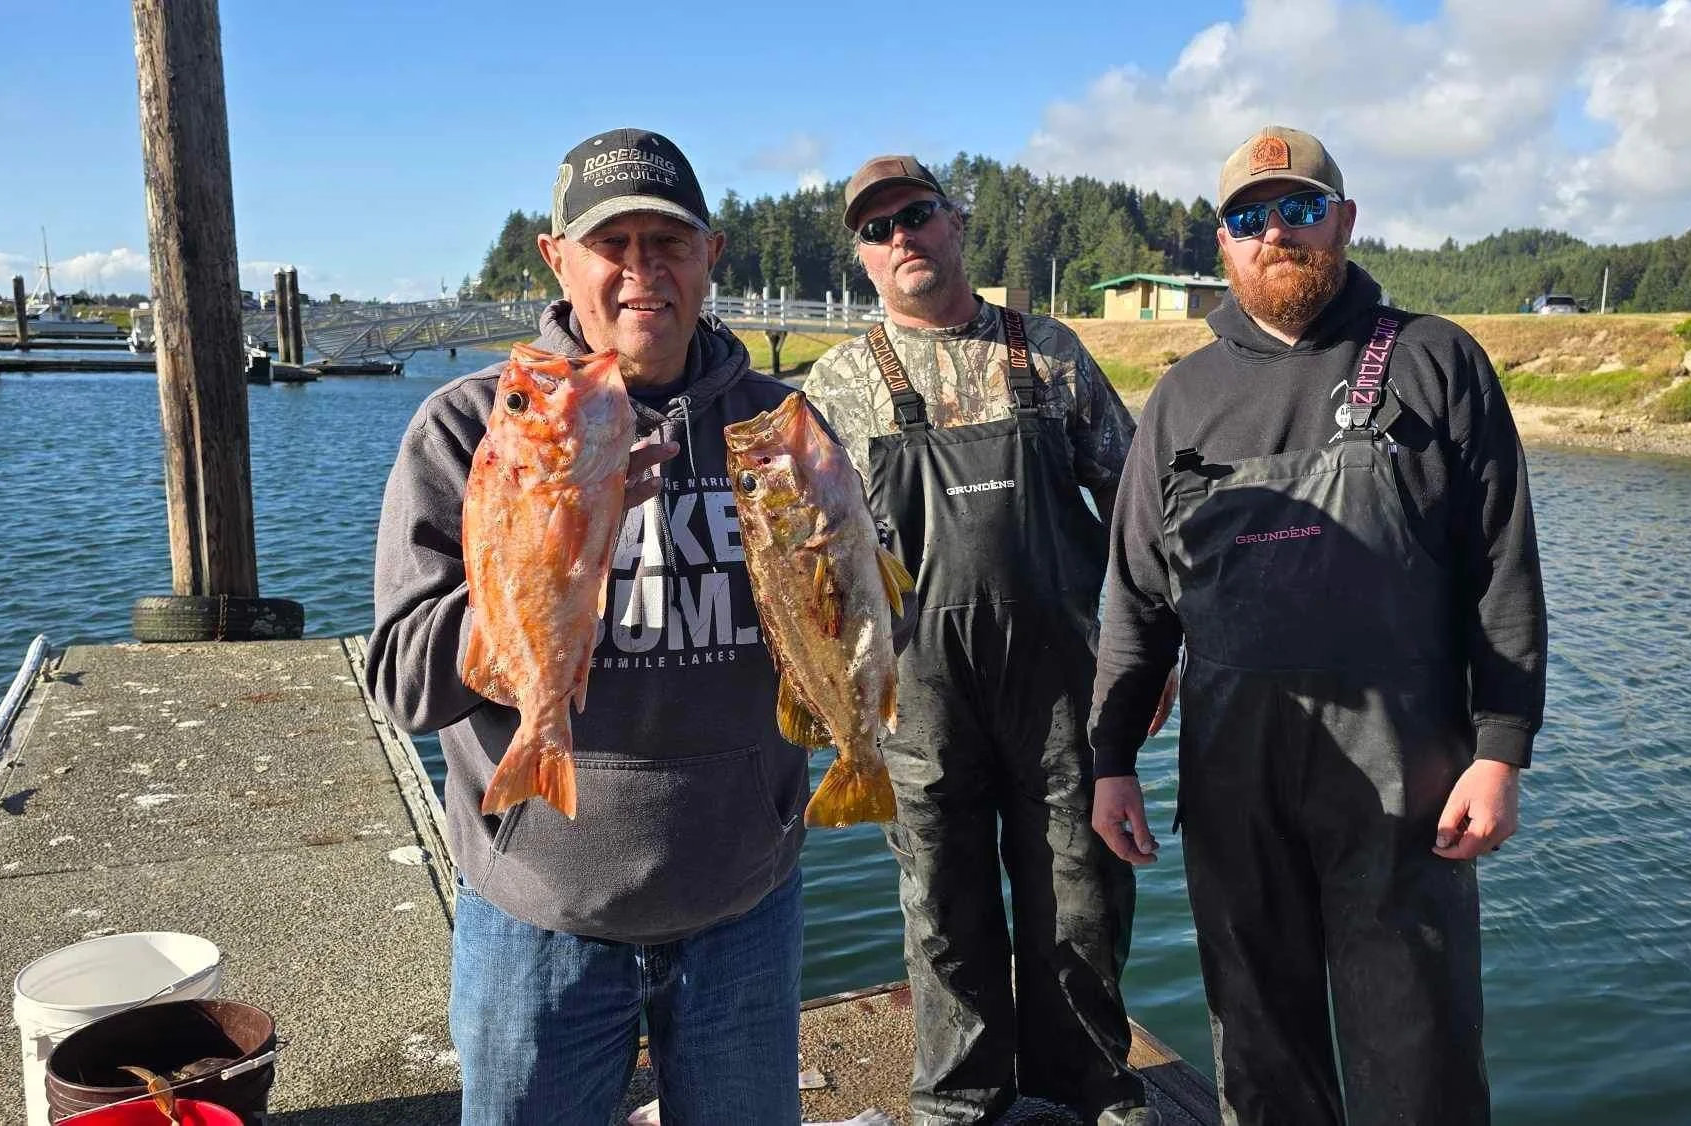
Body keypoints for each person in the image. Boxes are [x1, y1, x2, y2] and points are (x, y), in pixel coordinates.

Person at [1087, 125, 1548, 1126]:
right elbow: (1135, 596)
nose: (1274, 234)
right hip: (1231, 781)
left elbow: (1502, 573)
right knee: (1254, 1046)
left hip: (1404, 782)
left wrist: (1500, 750)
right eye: (1249, 217)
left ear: (1342, 221)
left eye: (1298, 209)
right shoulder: (1182, 397)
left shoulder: (1435, 362)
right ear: (1221, 243)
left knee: (1415, 1048)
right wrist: (1110, 757)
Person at [366, 127, 812, 1126]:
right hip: (536, 913)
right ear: (554, 256)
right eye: (612, 244)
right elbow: (398, 680)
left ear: (712, 256)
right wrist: (554, 550)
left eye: (668, 242)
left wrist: (864, 581)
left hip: (744, 906)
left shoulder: (781, 429)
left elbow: (856, 642)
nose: (639, 270)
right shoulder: (475, 427)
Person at [802, 155, 1150, 1126]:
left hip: (1060, 693)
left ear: (955, 223)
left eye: (915, 215)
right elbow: (806, 561)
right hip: (915, 701)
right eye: (877, 229)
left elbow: (1133, 516)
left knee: (1081, 897)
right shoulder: (836, 383)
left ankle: (1088, 1084)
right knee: (941, 910)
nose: (900, 237)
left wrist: (1152, 656)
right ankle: (961, 1099)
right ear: (863, 259)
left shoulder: (1046, 351)